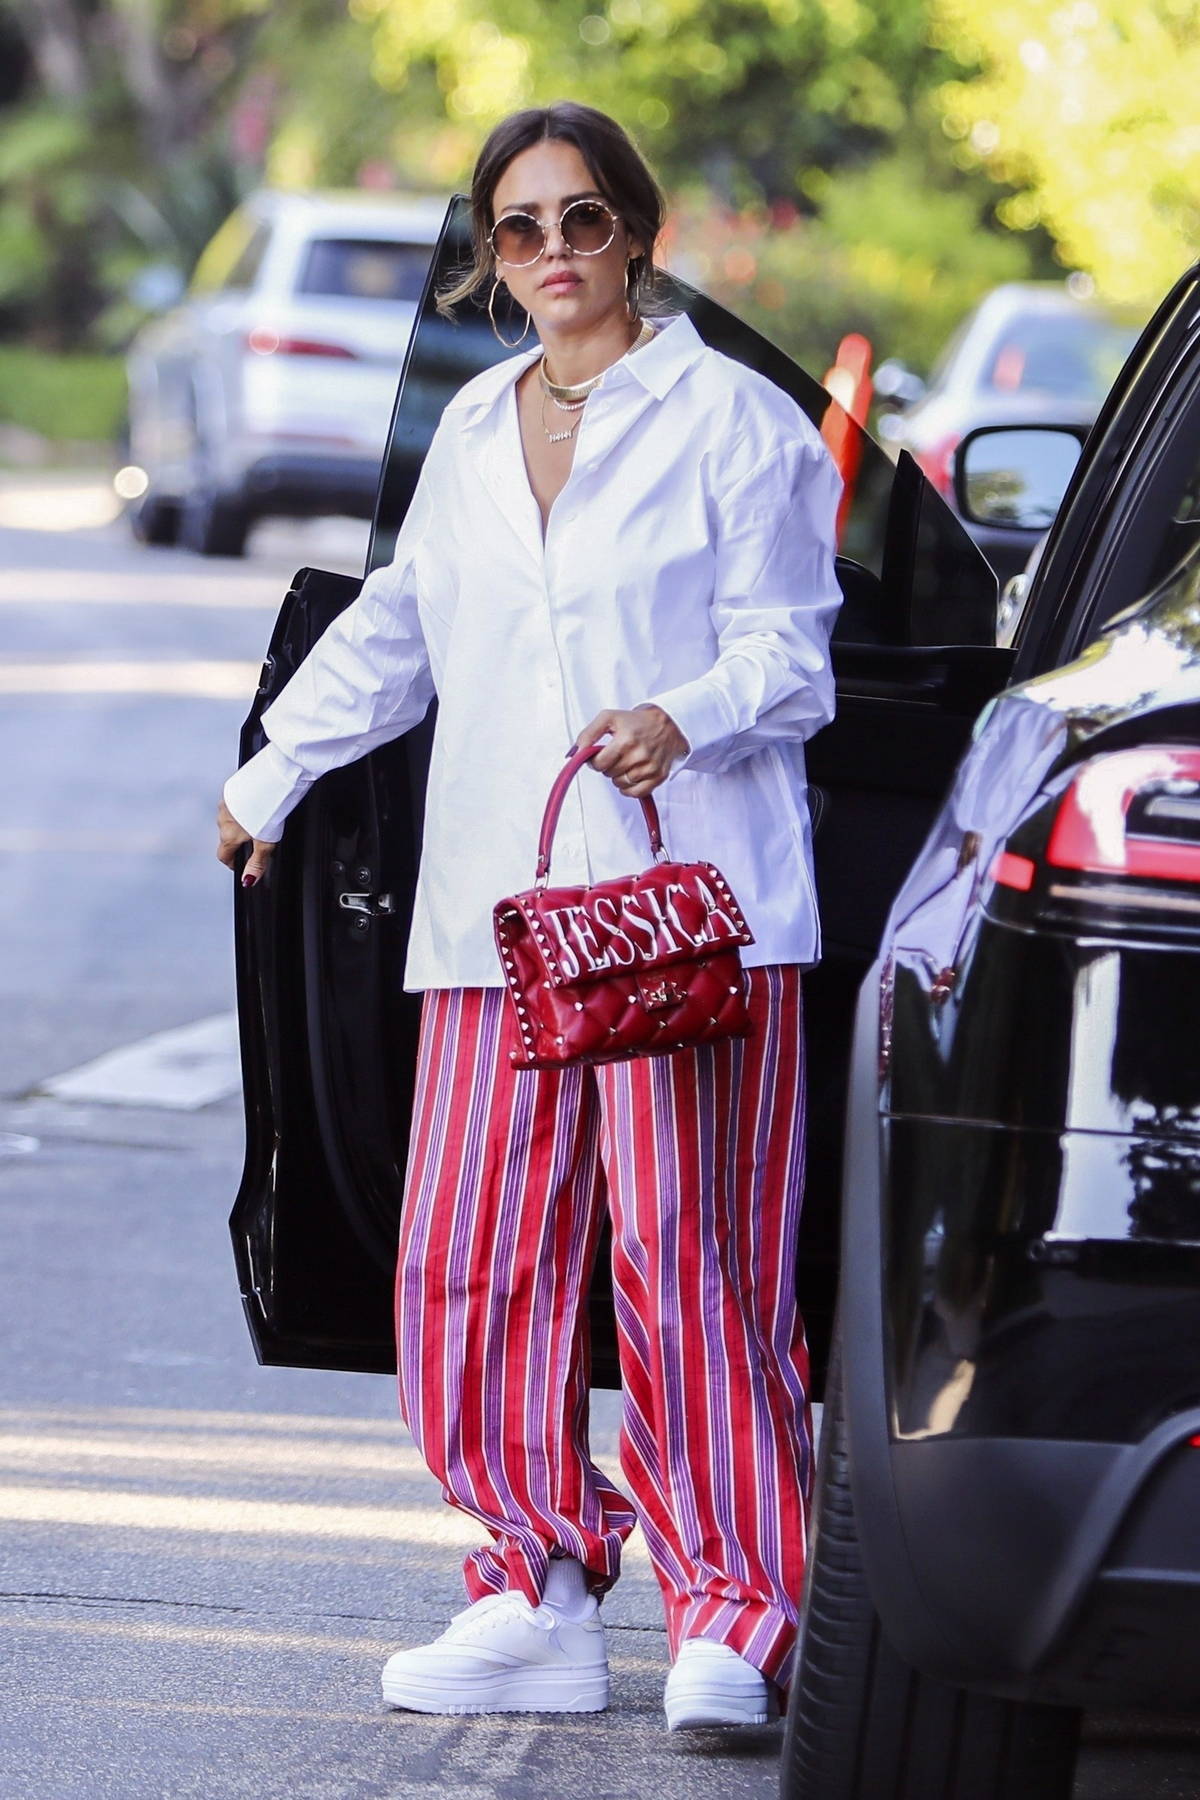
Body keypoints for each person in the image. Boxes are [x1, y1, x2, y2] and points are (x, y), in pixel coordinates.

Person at [217, 100, 842, 1731]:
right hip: (499, 917)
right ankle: (534, 1585)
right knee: (470, 1262)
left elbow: (795, 653)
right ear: (489, 258)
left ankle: (738, 1610)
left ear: (636, 231)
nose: (553, 252)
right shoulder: (480, 425)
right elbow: (399, 633)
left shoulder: (736, 420)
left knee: (691, 1263)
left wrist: (684, 713)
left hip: (684, 918)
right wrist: (272, 777)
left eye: (582, 220)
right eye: (519, 227)